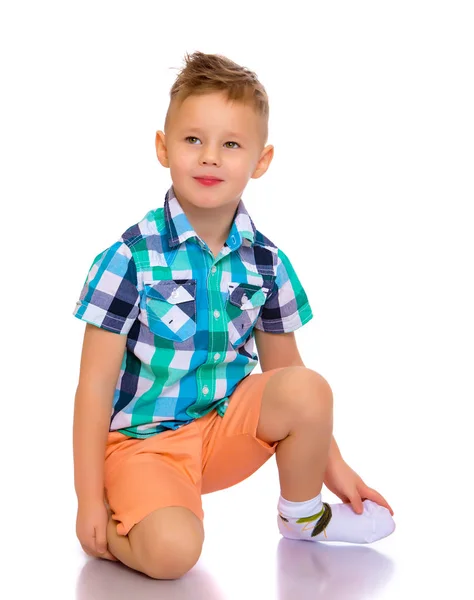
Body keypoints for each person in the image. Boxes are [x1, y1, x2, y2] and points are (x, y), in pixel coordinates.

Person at [72, 50, 396, 581]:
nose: (210, 158)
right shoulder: (129, 258)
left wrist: (334, 469)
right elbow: (93, 387)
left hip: (222, 432)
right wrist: (87, 499)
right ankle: (126, 517)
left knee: (308, 386)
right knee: (175, 554)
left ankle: (302, 517)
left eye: (231, 145)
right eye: (193, 139)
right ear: (163, 147)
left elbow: (288, 376)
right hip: (144, 445)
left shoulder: (266, 262)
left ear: (260, 161)